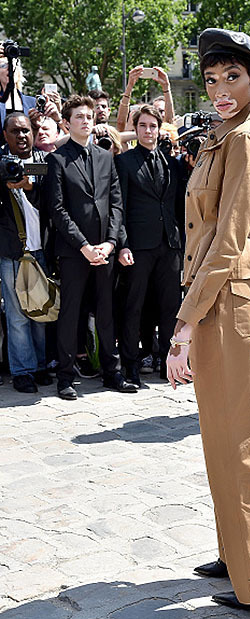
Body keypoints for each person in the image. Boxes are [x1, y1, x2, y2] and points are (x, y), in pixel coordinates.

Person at [166, 28, 250, 611]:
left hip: (232, 296)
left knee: (243, 436)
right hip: (229, 292)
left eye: (233, 77)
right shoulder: (223, 135)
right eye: (212, 79)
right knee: (222, 431)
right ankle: (237, 551)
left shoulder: (244, 139)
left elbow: (227, 239)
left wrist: (185, 323)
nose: (220, 89)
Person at [44, 94, 137, 399]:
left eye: (89, 116)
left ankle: (112, 372)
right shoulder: (57, 160)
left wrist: (110, 243)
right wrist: (84, 246)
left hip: (105, 250)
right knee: (71, 313)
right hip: (74, 251)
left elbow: (116, 204)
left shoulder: (105, 157)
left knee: (107, 312)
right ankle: (66, 377)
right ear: (66, 123)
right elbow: (57, 210)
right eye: (79, 117)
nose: (86, 121)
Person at [115, 104, 183, 386]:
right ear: (135, 129)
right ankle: (130, 365)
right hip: (138, 246)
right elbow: (119, 207)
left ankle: (169, 363)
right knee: (134, 307)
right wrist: (123, 244)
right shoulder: (125, 162)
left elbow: (177, 205)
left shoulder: (172, 163)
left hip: (170, 243)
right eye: (142, 126)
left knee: (171, 307)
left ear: (159, 129)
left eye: (153, 126)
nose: (148, 131)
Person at [0, 113, 52, 392]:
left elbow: (49, 188)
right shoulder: (1, 163)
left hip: (41, 249)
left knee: (40, 311)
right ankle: (23, 371)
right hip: (12, 251)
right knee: (17, 315)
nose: (21, 136)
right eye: (15, 131)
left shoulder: (43, 162)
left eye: (26, 131)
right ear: (5, 135)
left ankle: (41, 365)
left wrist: (30, 183)